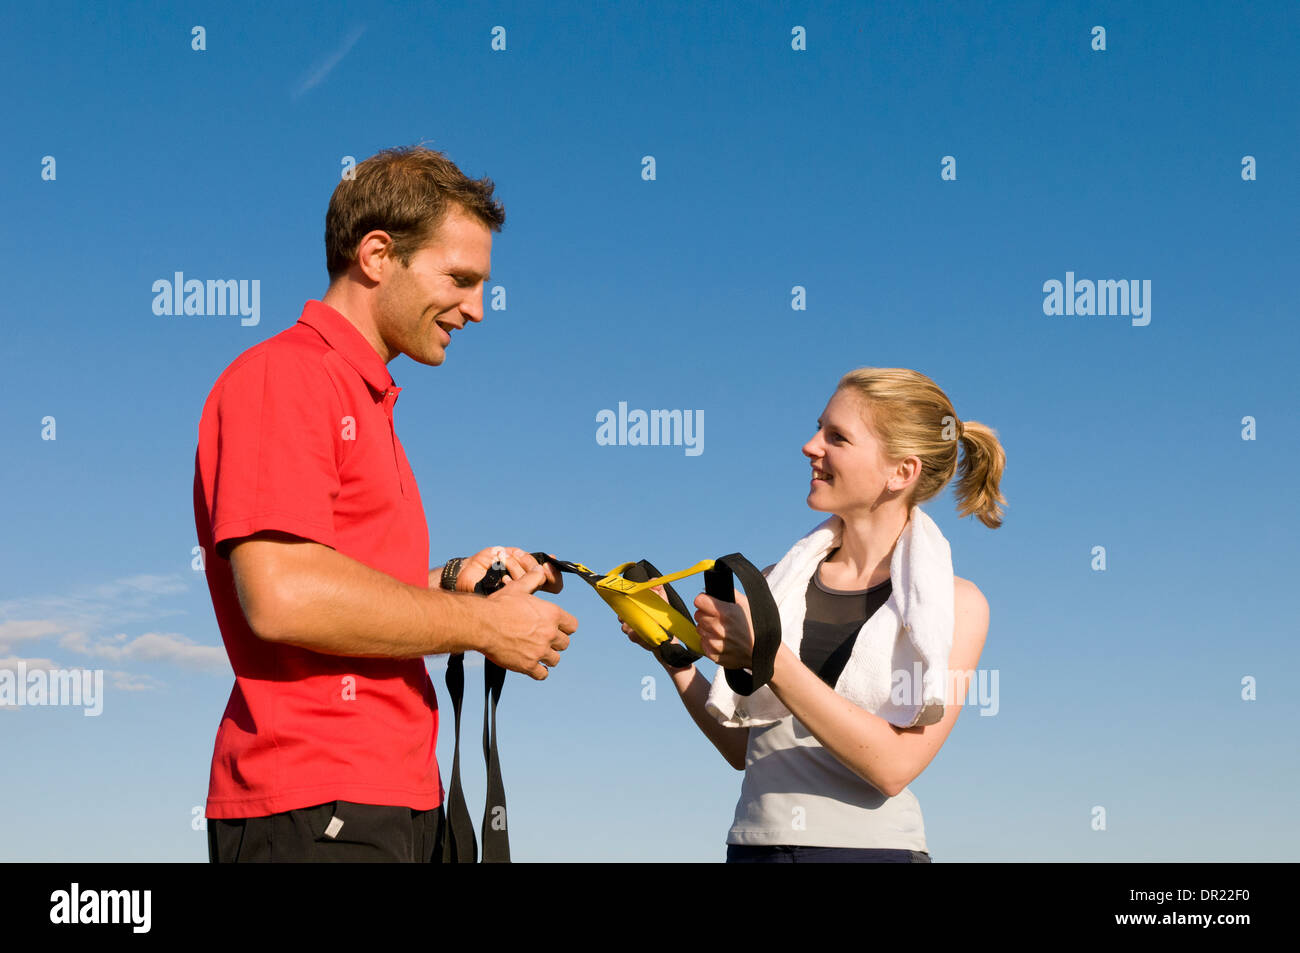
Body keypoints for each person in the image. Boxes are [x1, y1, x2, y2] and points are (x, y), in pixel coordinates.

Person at [193, 145, 578, 863]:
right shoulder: (287, 377)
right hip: (317, 805)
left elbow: (340, 577)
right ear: (376, 254)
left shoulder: (363, 399)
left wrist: (453, 581)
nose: (478, 308)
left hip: (394, 798)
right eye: (461, 279)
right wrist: (485, 626)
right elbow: (283, 595)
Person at [624, 367, 1003, 862]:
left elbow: (894, 767)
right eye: (818, 427)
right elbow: (745, 749)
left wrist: (768, 656)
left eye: (837, 437)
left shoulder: (957, 605)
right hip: (753, 847)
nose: (810, 445)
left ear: (901, 472)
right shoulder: (776, 581)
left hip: (869, 852)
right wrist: (675, 659)